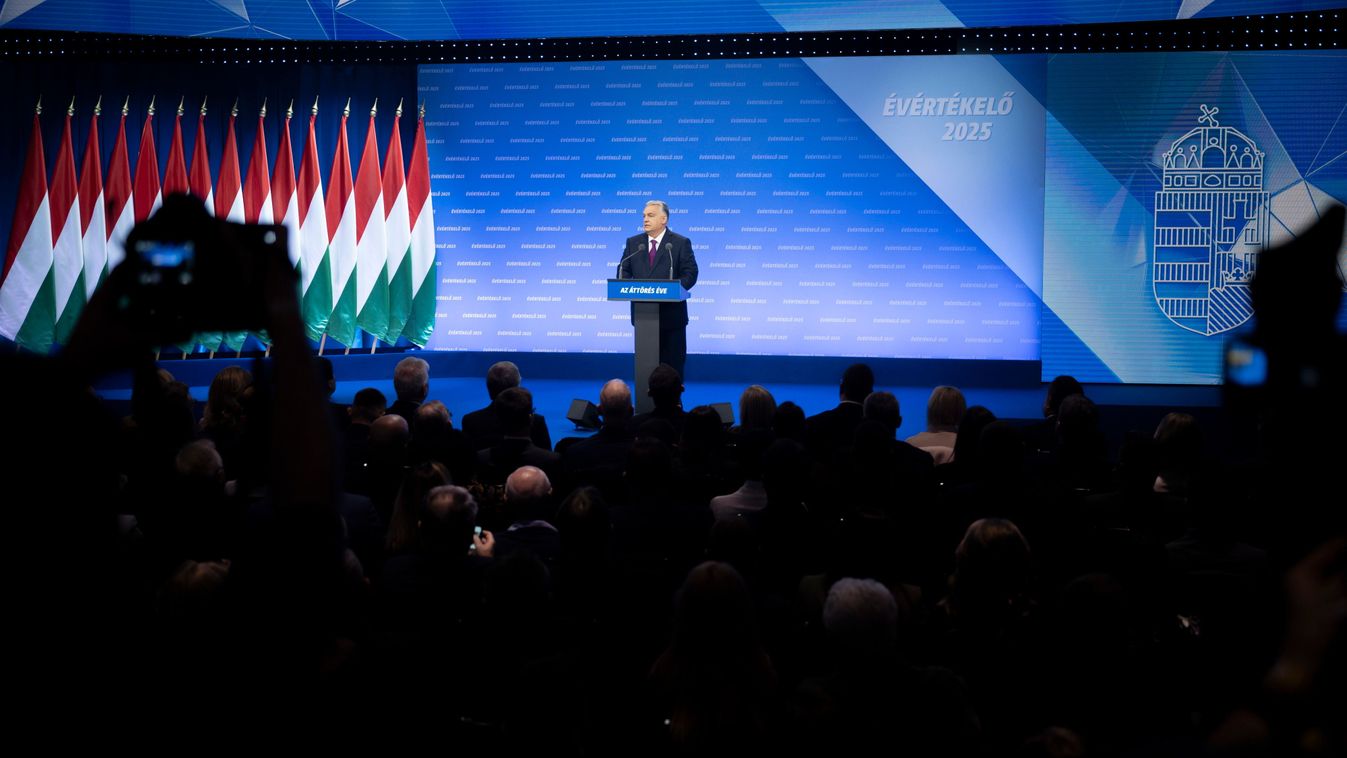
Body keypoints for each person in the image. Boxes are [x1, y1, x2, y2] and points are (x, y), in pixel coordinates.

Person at [618, 200, 699, 379]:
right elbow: (624, 269)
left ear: (664, 219)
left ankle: (673, 405)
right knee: (645, 371)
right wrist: (627, 283)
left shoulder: (679, 243)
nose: (645, 219)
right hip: (643, 318)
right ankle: (646, 406)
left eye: (651, 215)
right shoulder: (634, 243)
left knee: (673, 370)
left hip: (672, 318)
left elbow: (690, 273)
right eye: (644, 216)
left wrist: (673, 289)